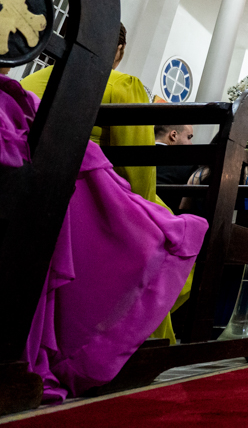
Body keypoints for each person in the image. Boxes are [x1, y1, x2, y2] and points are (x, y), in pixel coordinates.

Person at [1, 72, 208, 401]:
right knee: (167, 239)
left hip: (24, 171)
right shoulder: (123, 83)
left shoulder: (36, 78)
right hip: (77, 188)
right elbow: (140, 176)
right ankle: (134, 340)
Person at [19, 23, 164, 206]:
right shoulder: (122, 85)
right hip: (83, 199)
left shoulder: (28, 82)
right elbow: (138, 173)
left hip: (21, 190)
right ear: (119, 49)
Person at [155, 124, 195, 213]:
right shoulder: (185, 165)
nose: (191, 143)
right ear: (173, 135)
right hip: (165, 218)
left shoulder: (133, 155)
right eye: (189, 137)